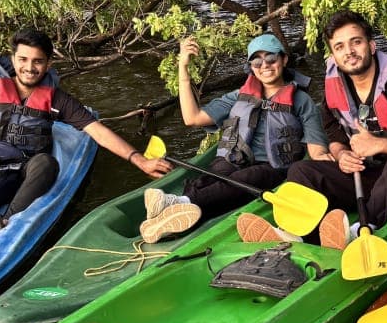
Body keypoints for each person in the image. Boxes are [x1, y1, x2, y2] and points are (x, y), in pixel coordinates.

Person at [0, 27, 170, 238]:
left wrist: (139, 160)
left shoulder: (57, 100)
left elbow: (97, 131)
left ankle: (5, 219)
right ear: (13, 59)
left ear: (48, 63)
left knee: (46, 163)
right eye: (23, 59)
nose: (29, 67)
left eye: (37, 61)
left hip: (18, 171)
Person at [275, 10, 387, 248]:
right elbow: (334, 134)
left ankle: (361, 230)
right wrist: (342, 155)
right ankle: (312, 234)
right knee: (301, 171)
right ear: (334, 56)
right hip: (375, 172)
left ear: (371, 46)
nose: (349, 52)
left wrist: (380, 144)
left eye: (356, 42)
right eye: (340, 47)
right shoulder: (334, 84)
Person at [140, 32, 329, 242]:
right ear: (251, 67)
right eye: (257, 61)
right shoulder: (239, 96)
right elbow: (192, 118)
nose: (264, 65)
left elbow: (316, 147)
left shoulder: (302, 101)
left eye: (271, 58)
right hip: (234, 159)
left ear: (284, 59)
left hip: (272, 168)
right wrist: (182, 69)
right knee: (213, 175)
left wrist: (325, 159)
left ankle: (178, 204)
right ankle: (174, 217)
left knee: (250, 176)